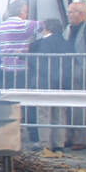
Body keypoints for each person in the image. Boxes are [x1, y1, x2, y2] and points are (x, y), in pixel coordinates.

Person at [61, 1, 86, 150]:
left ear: (81, 14)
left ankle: (80, 139)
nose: (69, 15)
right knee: (68, 106)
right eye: (69, 12)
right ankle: (69, 136)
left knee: (80, 108)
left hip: (82, 74)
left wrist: (84, 71)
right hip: (67, 72)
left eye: (72, 12)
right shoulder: (68, 28)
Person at [27, 19, 69, 151]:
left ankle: (45, 144)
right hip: (61, 80)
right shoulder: (65, 43)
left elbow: (37, 60)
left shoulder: (44, 43)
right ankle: (59, 143)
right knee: (59, 113)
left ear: (47, 28)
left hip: (45, 80)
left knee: (44, 113)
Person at [0, 0, 44, 88]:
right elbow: (43, 25)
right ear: (21, 12)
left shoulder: (0, 27)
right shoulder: (24, 25)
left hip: (5, 68)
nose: (27, 15)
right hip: (20, 68)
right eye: (26, 12)